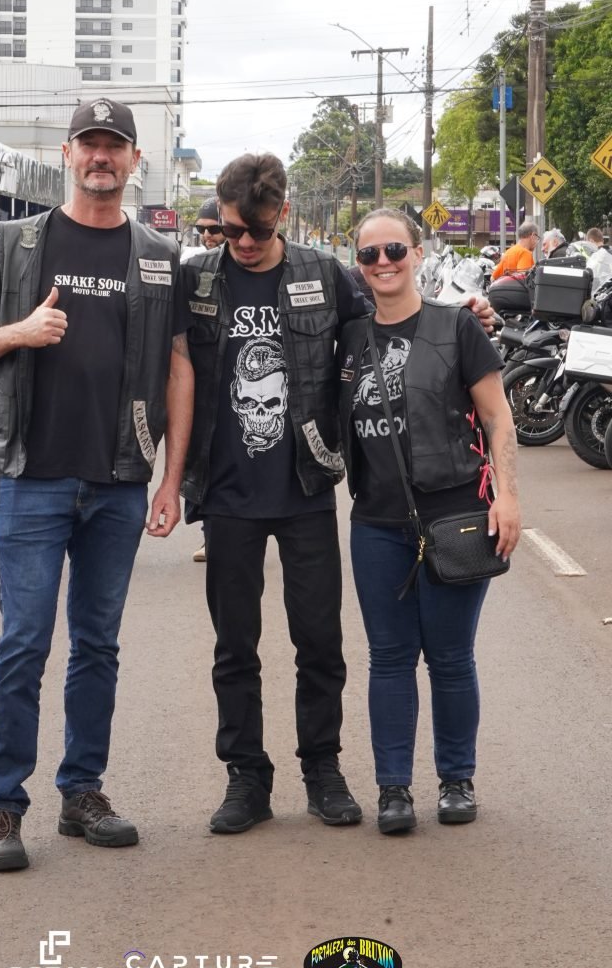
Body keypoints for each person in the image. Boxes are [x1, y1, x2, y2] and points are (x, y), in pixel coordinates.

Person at [0, 97, 194, 872]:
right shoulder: (19, 243)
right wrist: (21, 332)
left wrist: (170, 479)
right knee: (23, 644)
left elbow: (179, 368)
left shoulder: (157, 254)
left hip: (119, 480)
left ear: (133, 161)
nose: (100, 156)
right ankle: (2, 806)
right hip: (34, 478)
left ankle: (82, 791)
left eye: (114, 146)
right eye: (88, 143)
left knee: (97, 645)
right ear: (67, 154)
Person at [182, 153, 371, 834]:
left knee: (319, 641)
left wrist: (459, 318)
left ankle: (322, 768)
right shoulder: (197, 278)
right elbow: (157, 353)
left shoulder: (323, 274)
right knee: (235, 646)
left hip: (305, 486)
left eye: (258, 231)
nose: (244, 243)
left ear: (281, 215)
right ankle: (246, 778)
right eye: (231, 230)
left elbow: (381, 329)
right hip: (227, 493)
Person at [338, 208, 521, 835]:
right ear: (358, 265)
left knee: (450, 657)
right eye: (369, 254)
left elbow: (497, 416)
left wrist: (508, 496)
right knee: (389, 658)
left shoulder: (457, 327)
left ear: (417, 253)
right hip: (376, 522)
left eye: (394, 250)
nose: (383, 263)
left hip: (457, 515)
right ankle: (393, 790)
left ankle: (456, 780)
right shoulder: (349, 338)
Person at [182, 197, 226, 560]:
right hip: (200, 386)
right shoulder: (193, 271)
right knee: (203, 463)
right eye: (202, 230)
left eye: (215, 229)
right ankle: (212, 535)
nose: (208, 236)